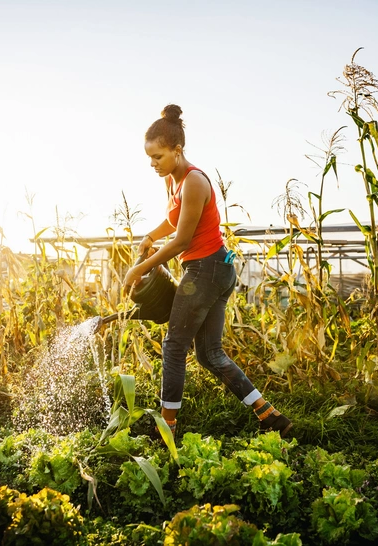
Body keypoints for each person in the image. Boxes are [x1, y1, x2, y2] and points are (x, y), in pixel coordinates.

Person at [123, 104, 292, 438]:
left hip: (206, 271)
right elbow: (174, 221)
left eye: (157, 156)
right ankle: (271, 416)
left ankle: (166, 428)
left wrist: (138, 269)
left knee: (173, 346)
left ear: (177, 150)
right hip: (212, 270)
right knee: (210, 355)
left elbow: (183, 240)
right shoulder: (173, 182)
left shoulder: (194, 182)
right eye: (150, 158)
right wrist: (149, 237)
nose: (153, 164)